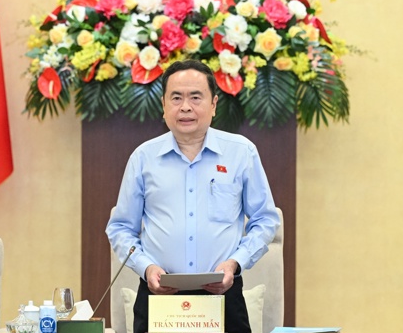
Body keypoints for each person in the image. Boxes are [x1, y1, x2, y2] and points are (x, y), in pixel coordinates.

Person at [106, 59, 280, 333]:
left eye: (195, 97)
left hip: (222, 295)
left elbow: (265, 221)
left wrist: (234, 264)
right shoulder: (143, 158)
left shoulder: (241, 153)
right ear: (163, 105)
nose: (185, 106)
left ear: (213, 104)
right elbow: (120, 228)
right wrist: (147, 267)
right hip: (158, 295)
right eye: (176, 98)